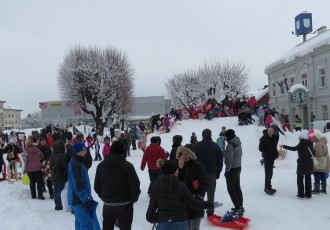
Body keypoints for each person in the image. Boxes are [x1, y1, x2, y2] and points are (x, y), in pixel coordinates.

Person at [146, 159, 222, 229]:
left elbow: (149, 214)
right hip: (180, 223)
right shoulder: (180, 186)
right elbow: (192, 202)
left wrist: (160, 218)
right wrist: (210, 204)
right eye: (177, 170)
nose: (178, 171)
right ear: (173, 171)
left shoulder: (155, 186)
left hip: (163, 224)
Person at [94, 141, 141, 230]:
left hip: (109, 204)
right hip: (124, 205)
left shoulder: (101, 166)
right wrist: (132, 199)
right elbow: (135, 186)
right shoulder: (127, 166)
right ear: (122, 151)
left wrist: (105, 197)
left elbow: (97, 186)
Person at [68, 142, 100, 230]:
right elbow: (78, 184)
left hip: (79, 199)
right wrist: (85, 199)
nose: (86, 151)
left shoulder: (78, 161)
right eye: (84, 150)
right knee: (86, 225)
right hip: (79, 200)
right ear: (78, 151)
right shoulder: (75, 164)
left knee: (80, 223)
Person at [177, 146, 208, 230]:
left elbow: (204, 183)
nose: (184, 156)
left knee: (194, 228)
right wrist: (180, 167)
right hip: (182, 203)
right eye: (182, 154)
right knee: (185, 227)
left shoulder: (198, 166)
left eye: (186, 154)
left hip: (195, 202)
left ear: (191, 155)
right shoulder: (178, 166)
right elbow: (175, 182)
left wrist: (199, 195)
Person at [194, 128, 223, 217]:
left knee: (199, 193)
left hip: (199, 173)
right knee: (211, 193)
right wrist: (218, 173)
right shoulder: (216, 146)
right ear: (210, 135)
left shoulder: (197, 146)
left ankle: (199, 211)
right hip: (212, 173)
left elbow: (194, 160)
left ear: (202, 135)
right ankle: (210, 212)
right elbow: (220, 161)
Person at [280, 130, 314, 198]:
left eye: (299, 137)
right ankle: (308, 194)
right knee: (308, 178)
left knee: (300, 178)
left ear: (302, 137)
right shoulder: (310, 143)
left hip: (302, 163)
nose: (298, 138)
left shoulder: (302, 143)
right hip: (309, 163)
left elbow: (294, 148)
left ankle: (301, 194)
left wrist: (284, 146)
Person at [223, 129, 244, 215]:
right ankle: (240, 206)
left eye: (225, 136)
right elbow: (241, 154)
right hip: (238, 167)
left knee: (231, 189)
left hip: (232, 169)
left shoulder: (230, 145)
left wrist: (227, 171)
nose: (224, 138)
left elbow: (229, 160)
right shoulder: (238, 141)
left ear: (228, 136)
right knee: (237, 187)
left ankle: (238, 208)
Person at [259, 127, 280, 195]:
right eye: (268, 131)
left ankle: (269, 186)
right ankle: (267, 188)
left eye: (271, 131)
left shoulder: (275, 137)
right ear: (267, 131)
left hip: (272, 157)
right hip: (267, 157)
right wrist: (268, 153)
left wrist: (275, 153)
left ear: (273, 132)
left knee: (270, 173)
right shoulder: (264, 138)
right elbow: (260, 148)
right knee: (268, 173)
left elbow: (274, 146)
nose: (270, 133)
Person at [25, 135, 45, 199]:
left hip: (29, 168)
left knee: (32, 181)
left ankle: (33, 195)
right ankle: (40, 195)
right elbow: (42, 156)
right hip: (37, 167)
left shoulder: (27, 150)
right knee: (39, 181)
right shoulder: (38, 149)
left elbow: (25, 158)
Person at [49, 140, 67, 210]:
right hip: (61, 175)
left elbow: (50, 165)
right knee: (59, 190)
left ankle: (56, 204)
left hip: (54, 174)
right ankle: (59, 204)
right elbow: (64, 166)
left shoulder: (52, 155)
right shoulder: (62, 155)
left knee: (55, 189)